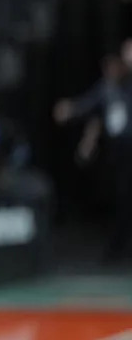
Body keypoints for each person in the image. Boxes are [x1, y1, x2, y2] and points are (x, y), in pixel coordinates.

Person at [53, 49, 132, 260]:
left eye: (115, 65)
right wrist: (70, 110)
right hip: (118, 153)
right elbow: (89, 108)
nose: (110, 70)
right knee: (120, 198)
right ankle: (117, 249)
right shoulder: (106, 89)